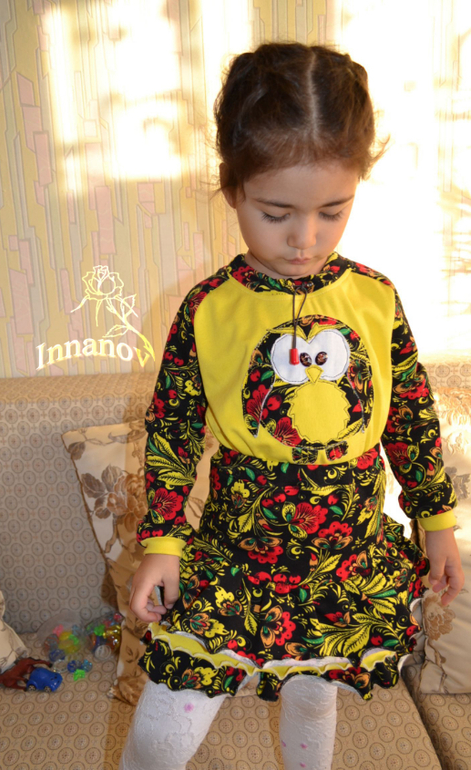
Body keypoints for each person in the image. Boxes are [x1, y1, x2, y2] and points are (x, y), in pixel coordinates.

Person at [119, 42, 465, 770]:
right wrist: (163, 541)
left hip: (345, 561)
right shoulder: (208, 309)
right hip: (236, 558)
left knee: (313, 697)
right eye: (276, 212)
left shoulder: (375, 297)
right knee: (159, 732)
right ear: (232, 186)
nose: (305, 240)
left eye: (332, 211)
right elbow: (173, 433)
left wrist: (436, 521)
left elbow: (408, 416)